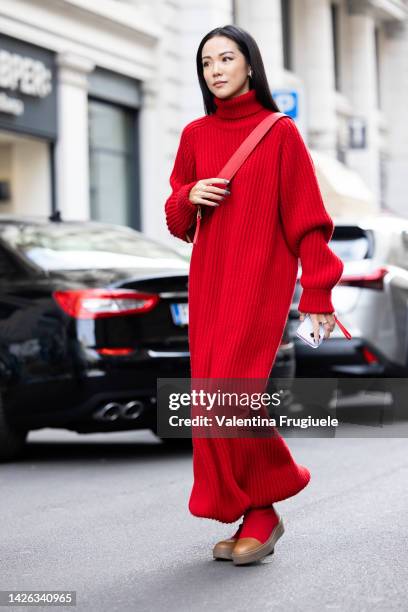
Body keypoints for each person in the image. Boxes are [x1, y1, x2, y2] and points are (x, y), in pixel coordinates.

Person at [164, 24, 344, 566]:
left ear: (249, 64)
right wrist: (190, 194)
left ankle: (266, 506)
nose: (215, 70)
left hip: (260, 283)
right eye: (205, 64)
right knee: (209, 403)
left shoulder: (279, 132)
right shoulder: (195, 134)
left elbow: (309, 221)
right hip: (210, 282)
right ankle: (256, 509)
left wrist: (317, 292)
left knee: (228, 393)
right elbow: (176, 217)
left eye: (225, 58)